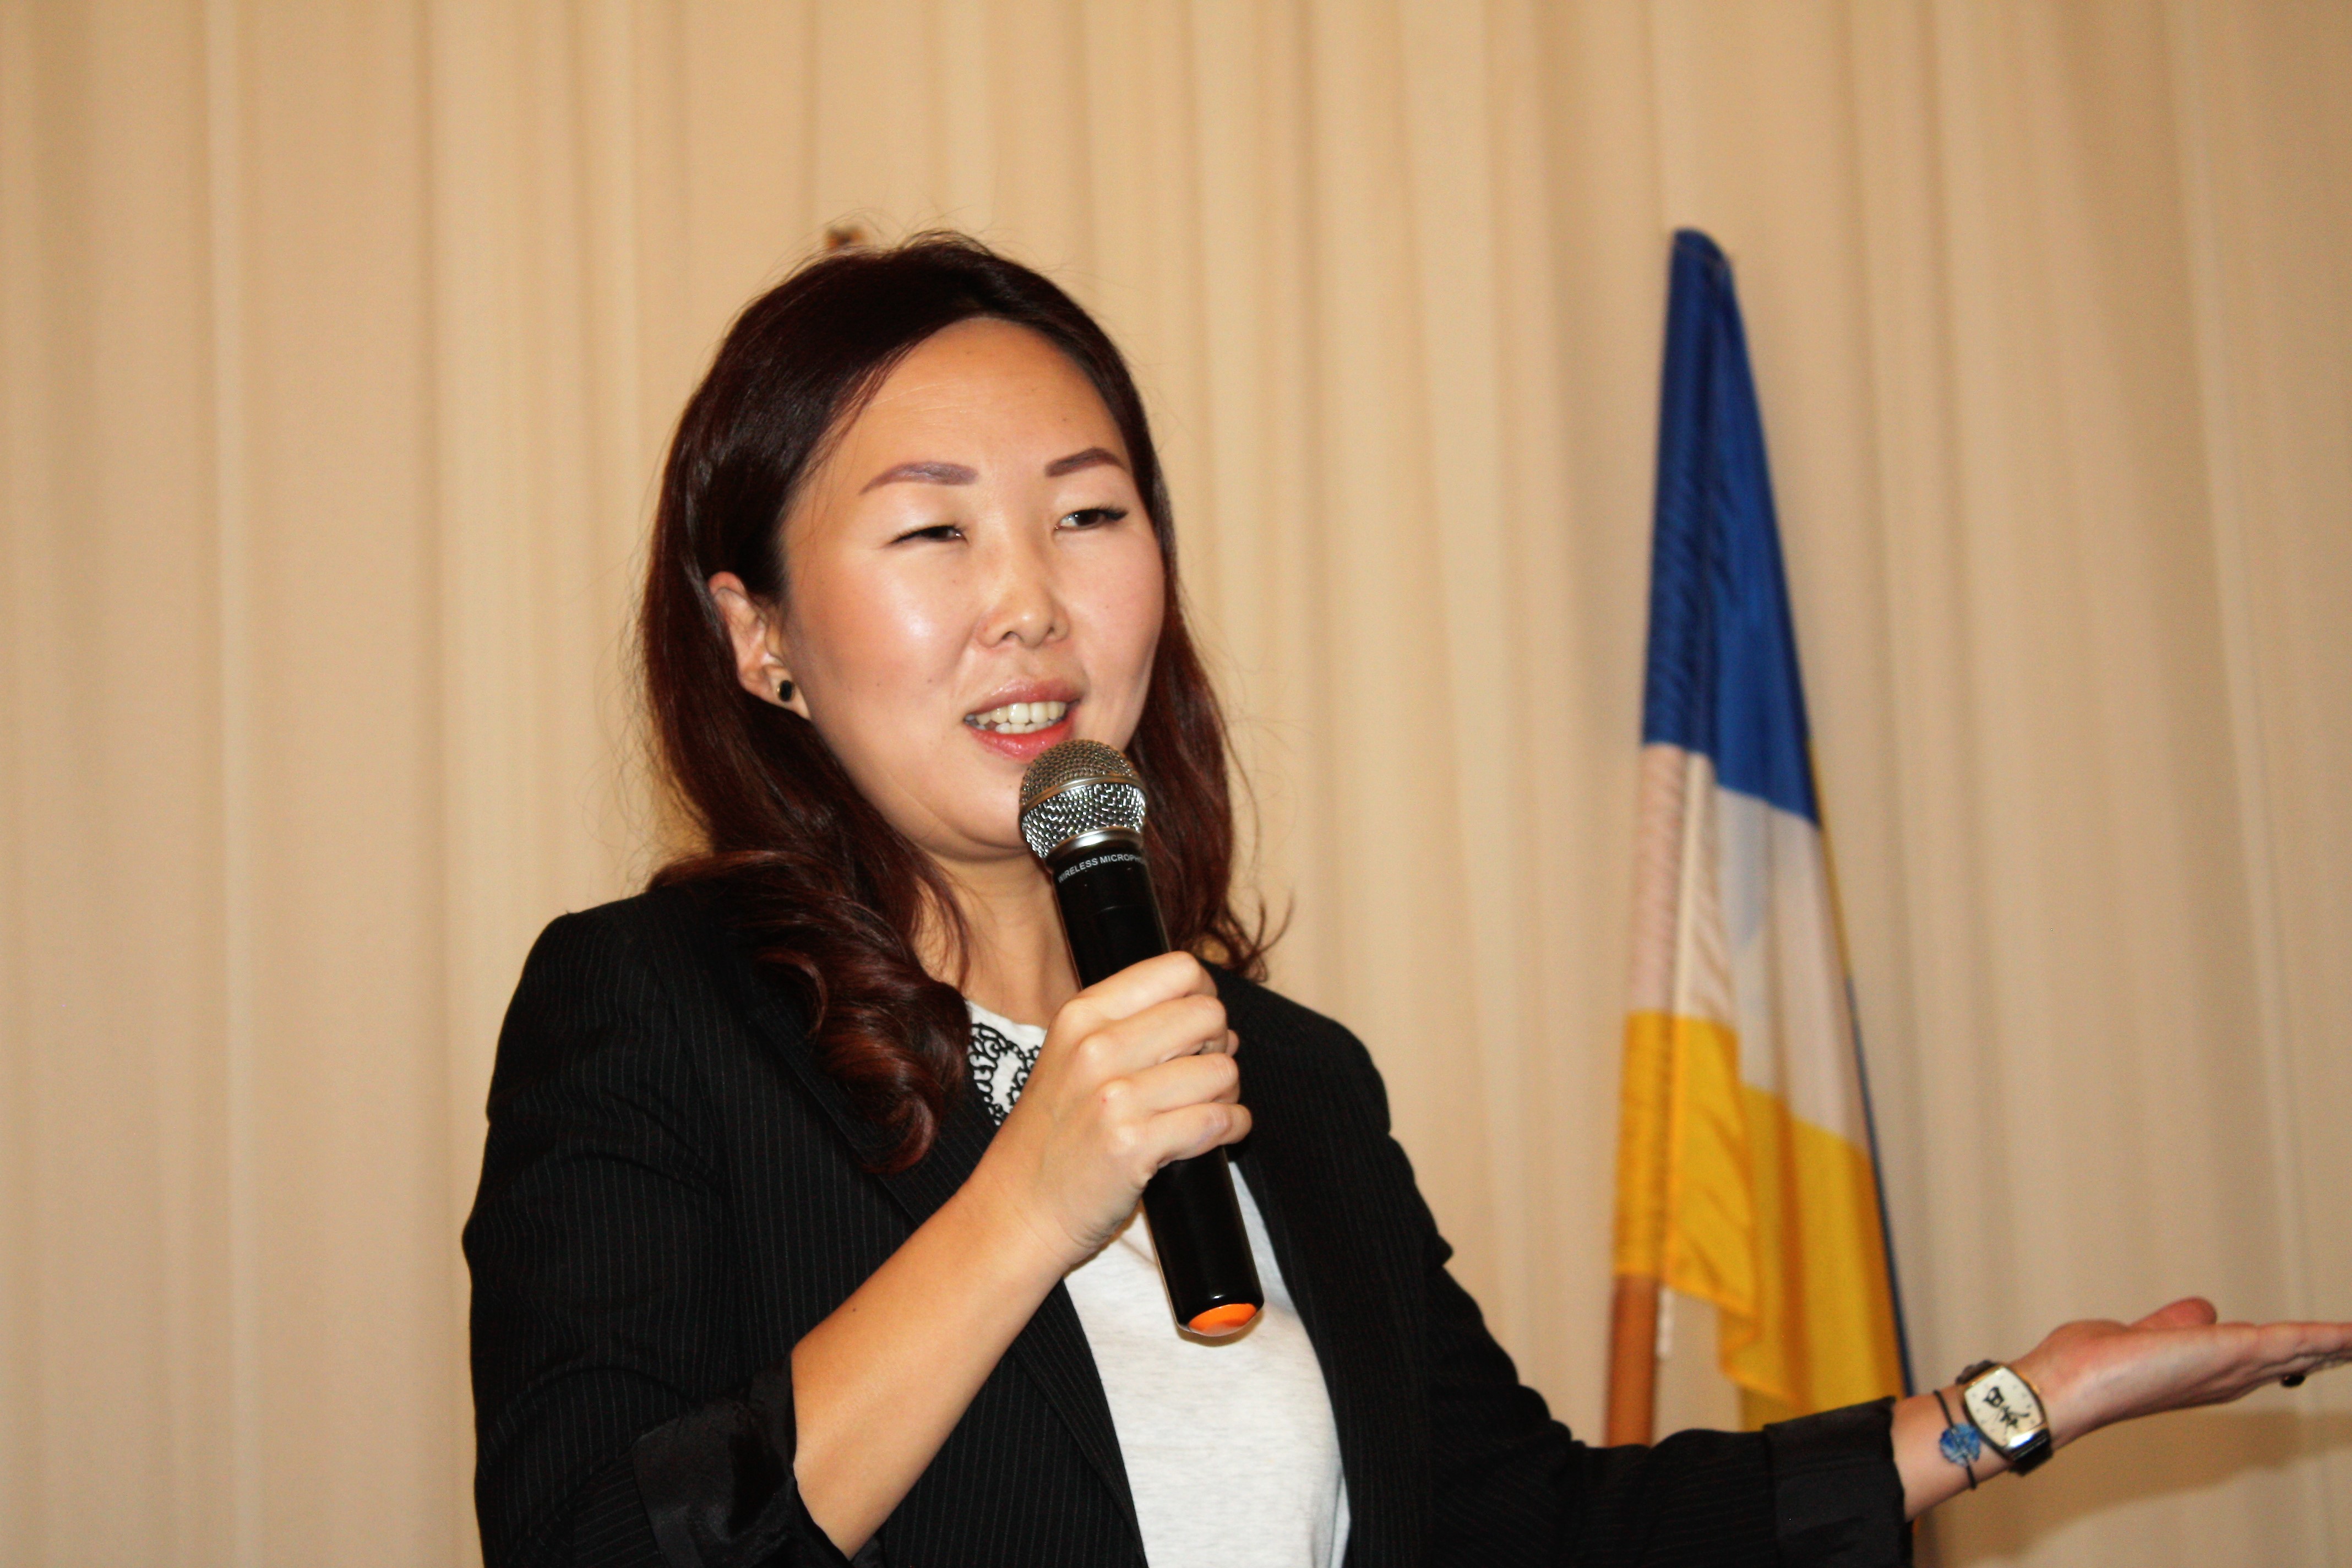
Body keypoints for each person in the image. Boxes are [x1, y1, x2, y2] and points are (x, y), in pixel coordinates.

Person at [464, 235, 2349, 1568]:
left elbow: (1525, 1527)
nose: (1030, 602)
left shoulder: (1286, 1077)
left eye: (1089, 514)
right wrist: (1033, 1198)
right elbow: (599, 1543)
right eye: (935, 527)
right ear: (759, 635)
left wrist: (2017, 1407)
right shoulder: (652, 1016)